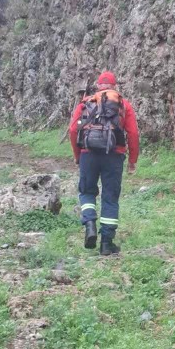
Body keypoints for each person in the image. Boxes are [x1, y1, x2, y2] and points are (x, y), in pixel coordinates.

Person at [69, 71, 139, 255]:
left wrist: (78, 155)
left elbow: (72, 130)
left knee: (86, 191)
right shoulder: (123, 105)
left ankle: (90, 223)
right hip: (114, 156)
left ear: (98, 86)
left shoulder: (86, 103)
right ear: (114, 86)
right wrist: (132, 161)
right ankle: (107, 244)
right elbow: (133, 134)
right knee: (110, 196)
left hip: (88, 153)